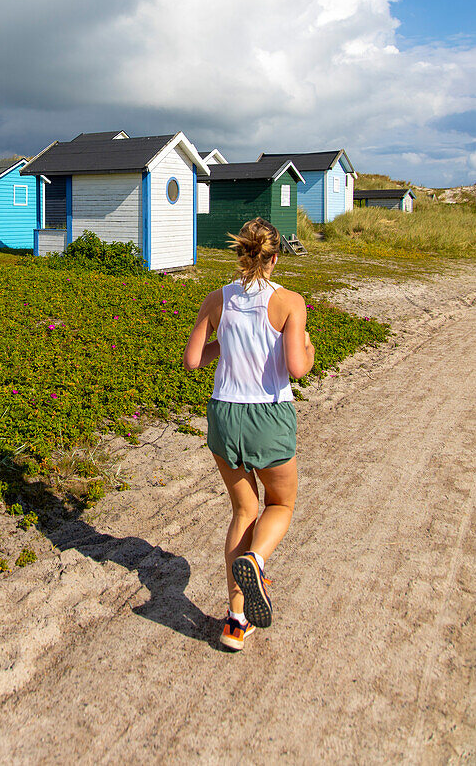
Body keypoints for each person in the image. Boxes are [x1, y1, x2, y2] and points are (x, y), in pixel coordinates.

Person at [183, 217, 314, 650]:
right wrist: (309, 348)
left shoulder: (216, 299)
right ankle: (256, 561)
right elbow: (297, 367)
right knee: (281, 503)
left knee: (243, 511)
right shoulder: (290, 302)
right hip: (268, 416)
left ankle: (236, 620)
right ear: (275, 257)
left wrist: (226, 343)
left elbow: (193, 360)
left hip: (225, 415)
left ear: (241, 254)